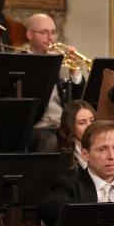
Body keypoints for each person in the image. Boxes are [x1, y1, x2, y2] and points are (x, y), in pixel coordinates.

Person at [28, 13, 86, 153]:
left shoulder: (60, 62)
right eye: (44, 32)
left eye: (53, 32)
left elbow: (79, 99)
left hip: (63, 124)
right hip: (37, 125)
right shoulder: (21, 61)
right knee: (52, 142)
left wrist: (75, 71)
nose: (50, 38)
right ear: (30, 35)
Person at [56, 99, 96, 168]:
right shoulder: (63, 158)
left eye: (92, 121)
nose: (89, 126)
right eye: (82, 123)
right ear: (70, 127)